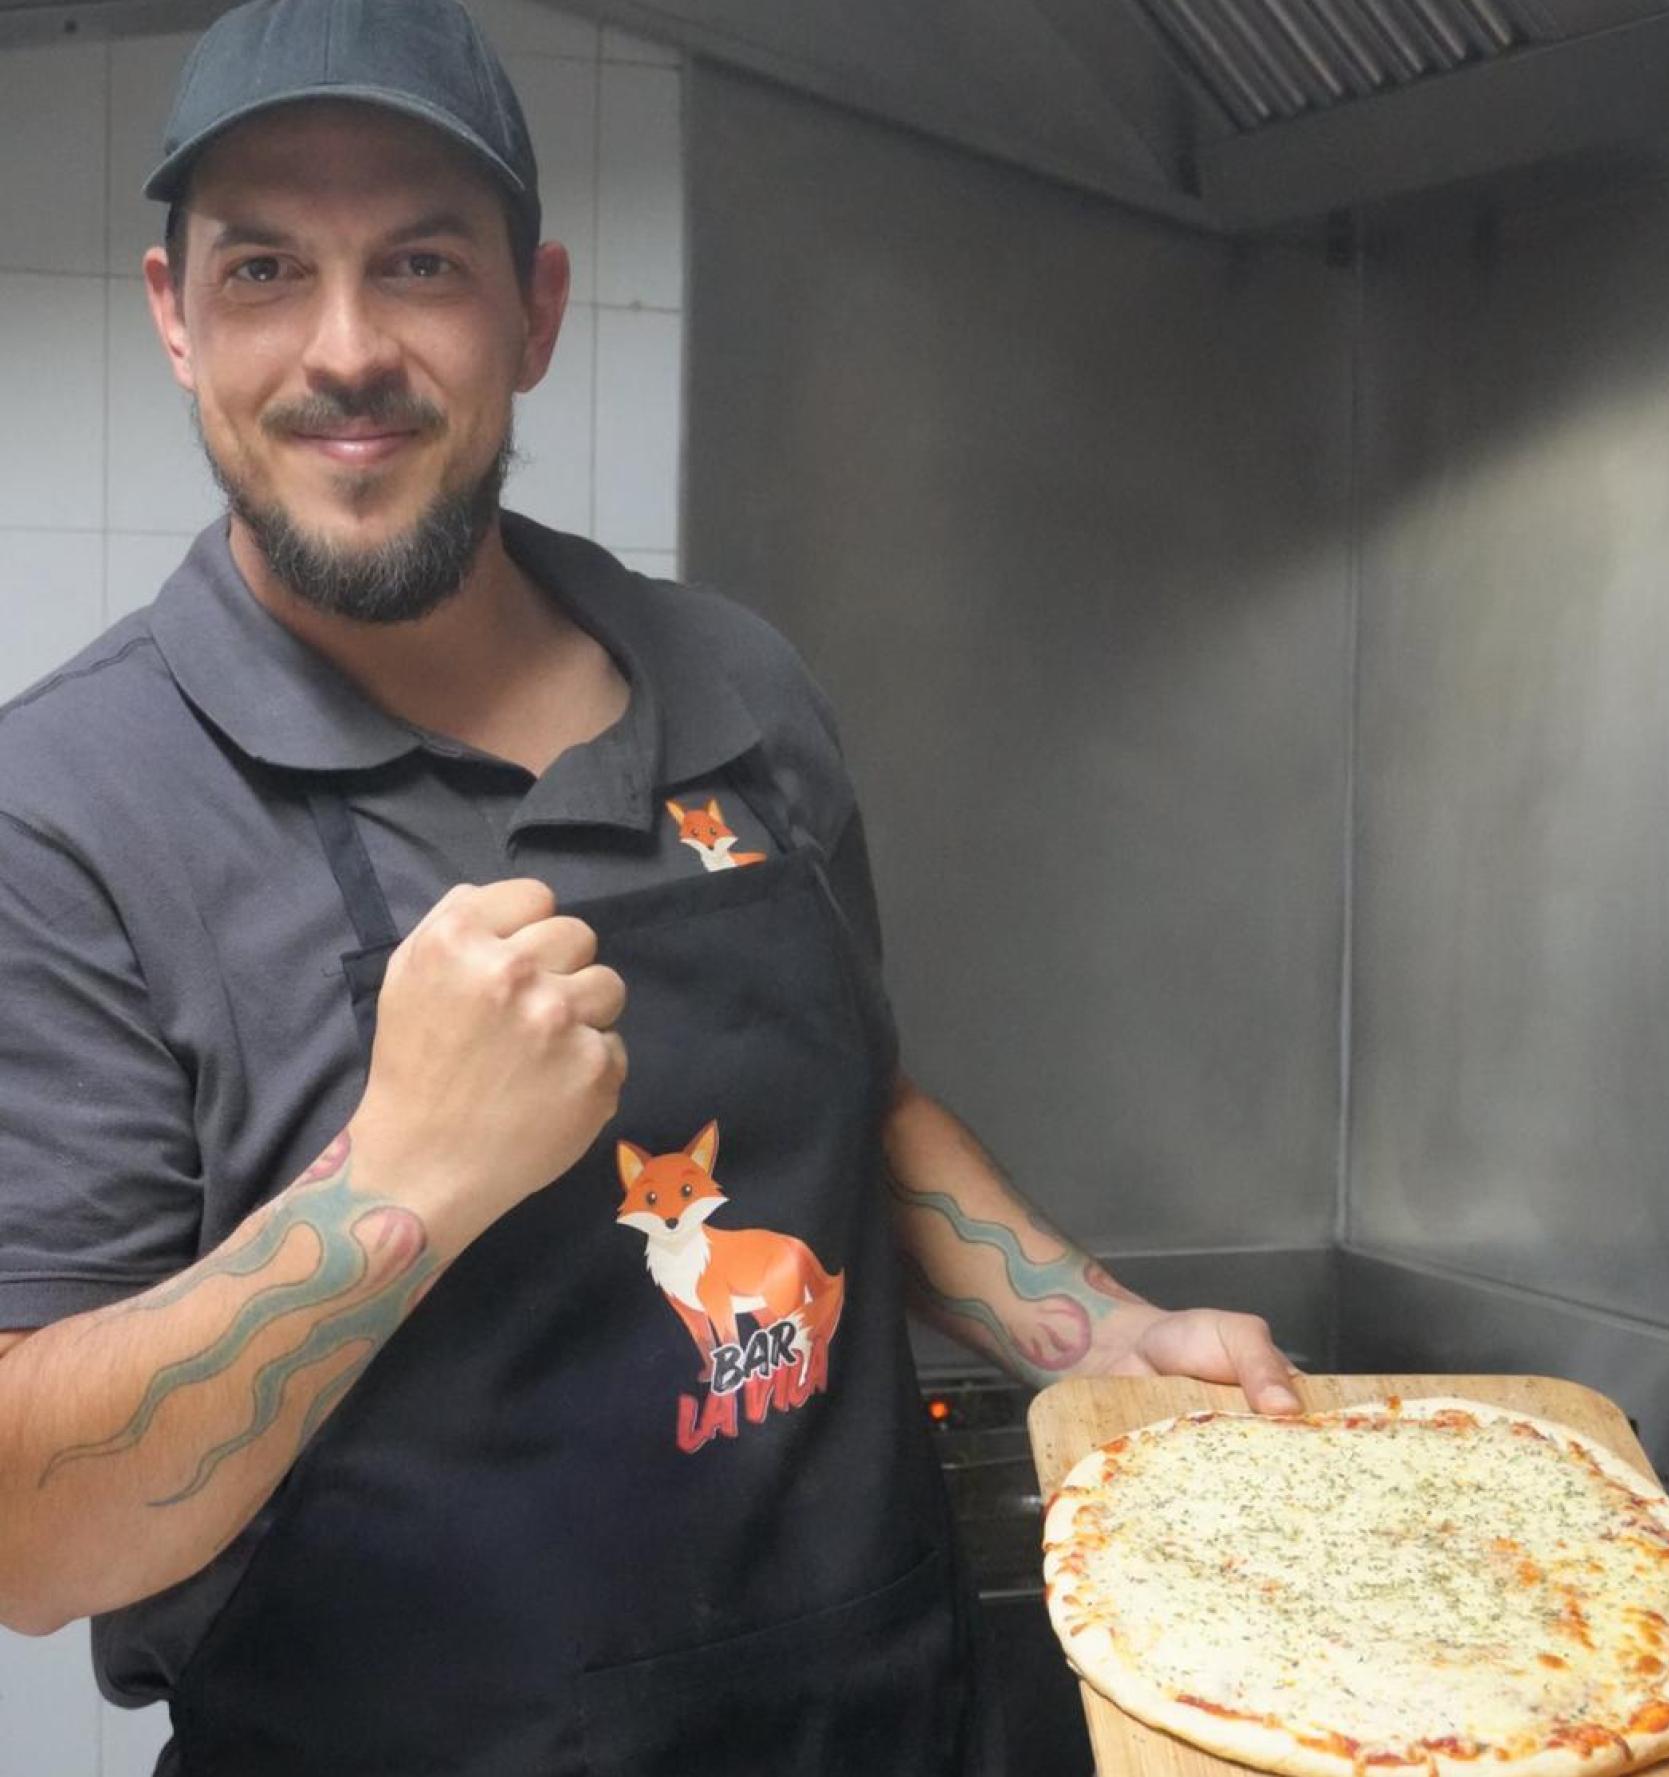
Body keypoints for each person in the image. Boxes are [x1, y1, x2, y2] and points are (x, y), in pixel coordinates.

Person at [0, 1, 1301, 1771]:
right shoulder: (69, 810)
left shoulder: (741, 680)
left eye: (421, 264)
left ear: (530, 312)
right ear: (175, 317)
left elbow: (865, 1108)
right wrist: (402, 1177)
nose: (345, 346)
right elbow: (33, 1535)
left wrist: (1097, 1330)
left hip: (876, 1723)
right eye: (261, 273)